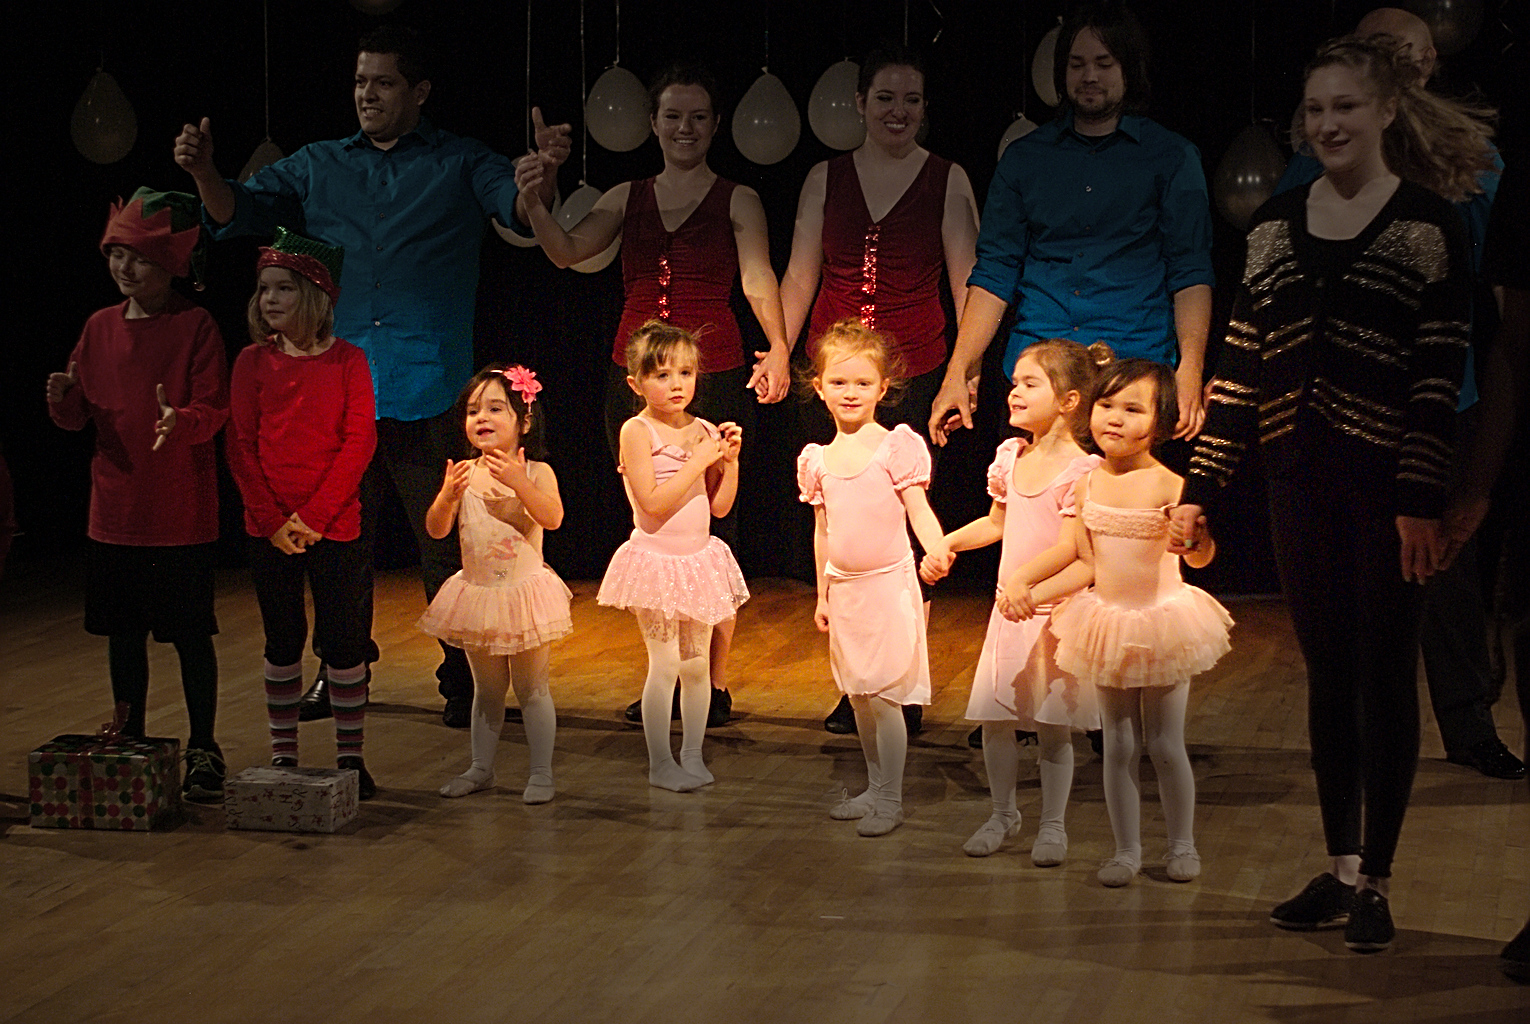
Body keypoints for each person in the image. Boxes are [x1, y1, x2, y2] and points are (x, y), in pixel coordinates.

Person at [1177, 37, 1488, 951]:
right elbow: (1242, 360)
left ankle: (1379, 880)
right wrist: (1202, 486)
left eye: (1345, 107)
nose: (1328, 125)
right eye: (1315, 111)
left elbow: (1437, 372)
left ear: (1386, 110)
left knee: (1385, 673)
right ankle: (1341, 867)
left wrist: (1419, 498)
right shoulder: (1275, 224)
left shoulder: (1430, 225)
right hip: (1297, 481)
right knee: (1328, 673)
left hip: (1387, 490)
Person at [173, 24, 567, 729]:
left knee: (447, 544)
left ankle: (465, 680)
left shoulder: (458, 160)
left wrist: (540, 180)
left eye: (383, 83)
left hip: (428, 386)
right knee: (339, 550)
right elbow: (239, 211)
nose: (368, 95)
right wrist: (205, 174)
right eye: (360, 82)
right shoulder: (319, 163)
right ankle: (341, 671)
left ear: (419, 91)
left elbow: (516, 207)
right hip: (337, 394)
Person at [1272, 6, 1520, 782]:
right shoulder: (1320, 152)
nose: (1402, 66)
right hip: (1339, 395)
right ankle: (1350, 732)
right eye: (1383, 52)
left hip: (1442, 389)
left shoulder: (1472, 157)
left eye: (1413, 54)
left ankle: (1469, 723)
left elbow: (1498, 275)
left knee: (1445, 568)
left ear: (1431, 63)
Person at [517, 64, 790, 731]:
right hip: (634, 375)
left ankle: (712, 683)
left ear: (715, 125)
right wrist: (537, 199)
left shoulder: (737, 197)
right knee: (652, 528)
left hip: (712, 372)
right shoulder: (626, 194)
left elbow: (757, 276)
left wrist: (779, 344)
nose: (684, 128)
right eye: (672, 116)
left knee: (712, 530)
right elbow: (566, 252)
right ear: (653, 124)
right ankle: (663, 675)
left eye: (697, 117)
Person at [778, 43, 980, 736]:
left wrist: (964, 373)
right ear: (860, 103)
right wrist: (779, 349)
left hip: (914, 371)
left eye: (911, 100)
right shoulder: (825, 177)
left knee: (903, 531)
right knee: (842, 528)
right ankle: (854, 682)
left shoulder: (947, 178)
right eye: (885, 98)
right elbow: (800, 273)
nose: (898, 111)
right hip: (836, 372)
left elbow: (967, 279)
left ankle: (903, 682)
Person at [929, 1, 1214, 449]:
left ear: (1128, 69)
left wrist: (1191, 370)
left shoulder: (1172, 157)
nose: (1089, 76)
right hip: (1040, 374)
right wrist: (958, 371)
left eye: (1104, 63)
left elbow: (1191, 272)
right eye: (1077, 64)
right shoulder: (1025, 158)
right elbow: (994, 273)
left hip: (1133, 371)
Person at [1009, 361, 1229, 887]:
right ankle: (1126, 850)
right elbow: (1083, 560)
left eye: (1133, 409)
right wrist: (1029, 590)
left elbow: (1200, 557)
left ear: (1161, 422)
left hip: (1162, 625)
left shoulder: (1171, 484)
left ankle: (1181, 844)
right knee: (1119, 744)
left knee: (1165, 744)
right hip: (1106, 624)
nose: (1115, 418)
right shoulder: (1086, 484)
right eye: (1107, 405)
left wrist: (1195, 541)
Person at [46, 187, 229, 802]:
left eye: (141, 258)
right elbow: (78, 417)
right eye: (117, 254)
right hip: (114, 512)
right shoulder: (99, 326)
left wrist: (182, 420)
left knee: (189, 636)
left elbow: (214, 407)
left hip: (179, 513)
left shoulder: (194, 325)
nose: (126, 268)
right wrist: (62, 400)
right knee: (123, 636)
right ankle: (132, 742)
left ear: (172, 265)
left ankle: (203, 746)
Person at [919, 339, 1106, 861]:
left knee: (1052, 728)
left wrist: (1027, 584)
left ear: (1068, 401)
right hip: (1010, 611)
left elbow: (1076, 553)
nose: (1014, 392)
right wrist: (947, 544)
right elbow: (997, 523)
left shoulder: (1082, 471)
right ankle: (1003, 814)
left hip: (1052, 614)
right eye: (1015, 382)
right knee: (996, 721)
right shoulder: (1011, 457)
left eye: (1030, 384)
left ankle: (1053, 826)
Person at [226, 230, 379, 799]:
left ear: (314, 296)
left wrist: (314, 517)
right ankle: (283, 755)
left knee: (343, 642)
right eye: (264, 288)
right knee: (282, 639)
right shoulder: (251, 362)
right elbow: (241, 445)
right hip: (270, 529)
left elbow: (358, 441)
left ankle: (350, 759)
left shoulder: (348, 360)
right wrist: (273, 521)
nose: (269, 298)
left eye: (283, 288)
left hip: (334, 526)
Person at [798, 321, 953, 836]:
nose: (851, 392)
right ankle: (873, 786)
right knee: (860, 696)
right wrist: (822, 593)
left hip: (888, 587)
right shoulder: (817, 459)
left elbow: (918, 510)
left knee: (885, 697)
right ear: (819, 386)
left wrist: (938, 548)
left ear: (883, 388)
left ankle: (891, 798)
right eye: (839, 382)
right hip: (845, 590)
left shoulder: (895, 447)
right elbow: (823, 531)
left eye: (863, 383)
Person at [597, 323, 748, 792]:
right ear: (636, 383)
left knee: (696, 665)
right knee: (664, 665)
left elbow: (719, 507)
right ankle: (660, 762)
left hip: (698, 559)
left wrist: (729, 463)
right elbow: (652, 503)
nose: (676, 384)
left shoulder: (704, 430)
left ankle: (692, 755)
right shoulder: (636, 431)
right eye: (662, 375)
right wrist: (699, 461)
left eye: (685, 373)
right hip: (657, 561)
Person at [420, 365, 571, 804]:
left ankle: (541, 773)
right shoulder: (464, 473)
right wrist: (446, 496)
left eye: (494, 408)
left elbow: (553, 518)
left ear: (524, 421)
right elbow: (436, 530)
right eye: (472, 411)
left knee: (532, 689)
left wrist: (520, 483)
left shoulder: (537, 471)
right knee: (486, 691)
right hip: (479, 595)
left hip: (524, 596)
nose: (481, 417)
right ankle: (480, 768)